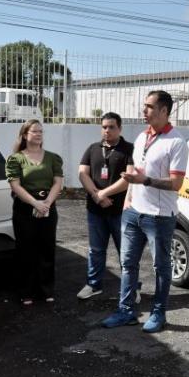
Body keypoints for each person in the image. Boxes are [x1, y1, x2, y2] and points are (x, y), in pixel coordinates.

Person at [101, 90, 187, 333]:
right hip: (133, 212)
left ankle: (159, 313)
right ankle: (126, 310)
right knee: (127, 264)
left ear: (163, 110)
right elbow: (134, 171)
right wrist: (129, 197)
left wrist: (144, 181)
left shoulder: (177, 142)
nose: (144, 110)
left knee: (161, 266)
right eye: (144, 106)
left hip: (159, 216)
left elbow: (176, 184)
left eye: (149, 106)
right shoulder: (141, 137)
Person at [76, 112, 135, 300]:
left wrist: (104, 193)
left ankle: (132, 288)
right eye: (104, 127)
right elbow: (82, 174)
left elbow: (129, 179)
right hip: (96, 210)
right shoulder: (93, 148)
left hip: (121, 211)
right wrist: (96, 195)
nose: (107, 131)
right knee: (96, 250)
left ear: (120, 128)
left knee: (126, 253)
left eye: (111, 127)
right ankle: (94, 285)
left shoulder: (129, 149)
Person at [6, 120, 63, 305]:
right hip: (25, 209)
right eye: (34, 131)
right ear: (25, 135)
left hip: (48, 206)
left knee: (47, 249)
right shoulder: (15, 159)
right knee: (26, 250)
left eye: (41, 131)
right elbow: (15, 185)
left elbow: (57, 183)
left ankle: (46, 290)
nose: (39, 134)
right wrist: (35, 204)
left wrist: (46, 203)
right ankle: (26, 291)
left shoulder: (53, 158)